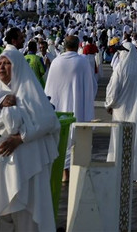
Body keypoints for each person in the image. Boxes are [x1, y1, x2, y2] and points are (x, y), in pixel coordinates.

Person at [0, 48, 59, 232]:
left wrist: (20, 138)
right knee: (0, 216)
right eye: (0, 63)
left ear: (17, 67)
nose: (2, 67)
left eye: (7, 64)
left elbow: (48, 121)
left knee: (26, 218)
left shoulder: (29, 93)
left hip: (25, 169)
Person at [104, 42, 137, 184]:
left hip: (122, 111)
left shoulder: (121, 68)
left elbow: (112, 90)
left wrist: (109, 105)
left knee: (121, 141)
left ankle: (121, 172)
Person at [44, 35, 95, 174]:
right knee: (75, 141)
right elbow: (90, 87)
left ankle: (63, 173)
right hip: (77, 108)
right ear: (78, 45)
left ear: (64, 46)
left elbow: (49, 89)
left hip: (58, 109)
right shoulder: (82, 62)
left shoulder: (56, 62)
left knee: (61, 141)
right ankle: (72, 174)